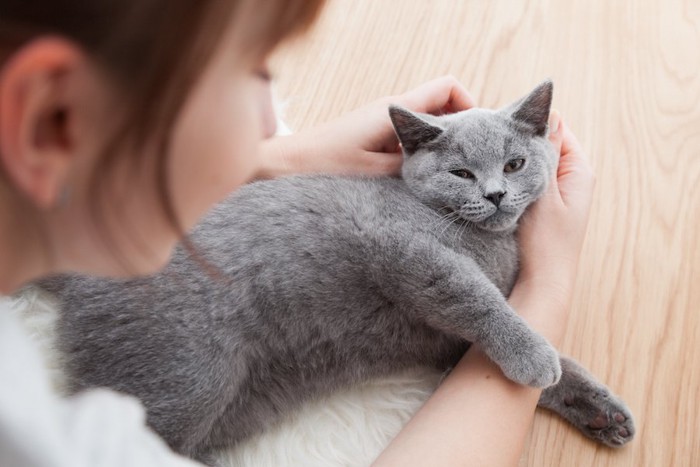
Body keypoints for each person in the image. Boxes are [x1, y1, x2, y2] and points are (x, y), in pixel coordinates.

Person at [0, 1, 595, 466]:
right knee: (179, 400)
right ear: (48, 117)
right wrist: (549, 284)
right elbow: (401, 253)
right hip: (197, 315)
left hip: (278, 360)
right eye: (250, 71)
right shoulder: (35, 437)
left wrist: (271, 158)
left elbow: (454, 336)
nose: (271, 120)